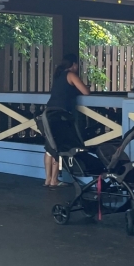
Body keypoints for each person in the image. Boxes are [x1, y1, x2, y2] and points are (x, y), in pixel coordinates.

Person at [43, 52, 90, 188]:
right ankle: (54, 180)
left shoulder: (58, 75)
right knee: (60, 145)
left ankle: (48, 180)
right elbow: (86, 92)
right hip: (60, 114)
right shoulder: (71, 75)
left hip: (48, 112)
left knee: (49, 147)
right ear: (74, 64)